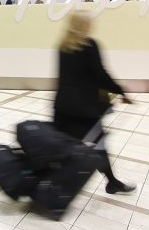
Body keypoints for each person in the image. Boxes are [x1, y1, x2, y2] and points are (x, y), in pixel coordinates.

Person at [53, 12, 136, 195]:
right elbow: (100, 75)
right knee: (99, 146)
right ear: (84, 25)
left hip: (63, 106)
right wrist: (121, 91)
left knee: (61, 146)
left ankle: (50, 181)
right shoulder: (89, 45)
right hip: (84, 109)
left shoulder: (63, 46)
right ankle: (112, 182)